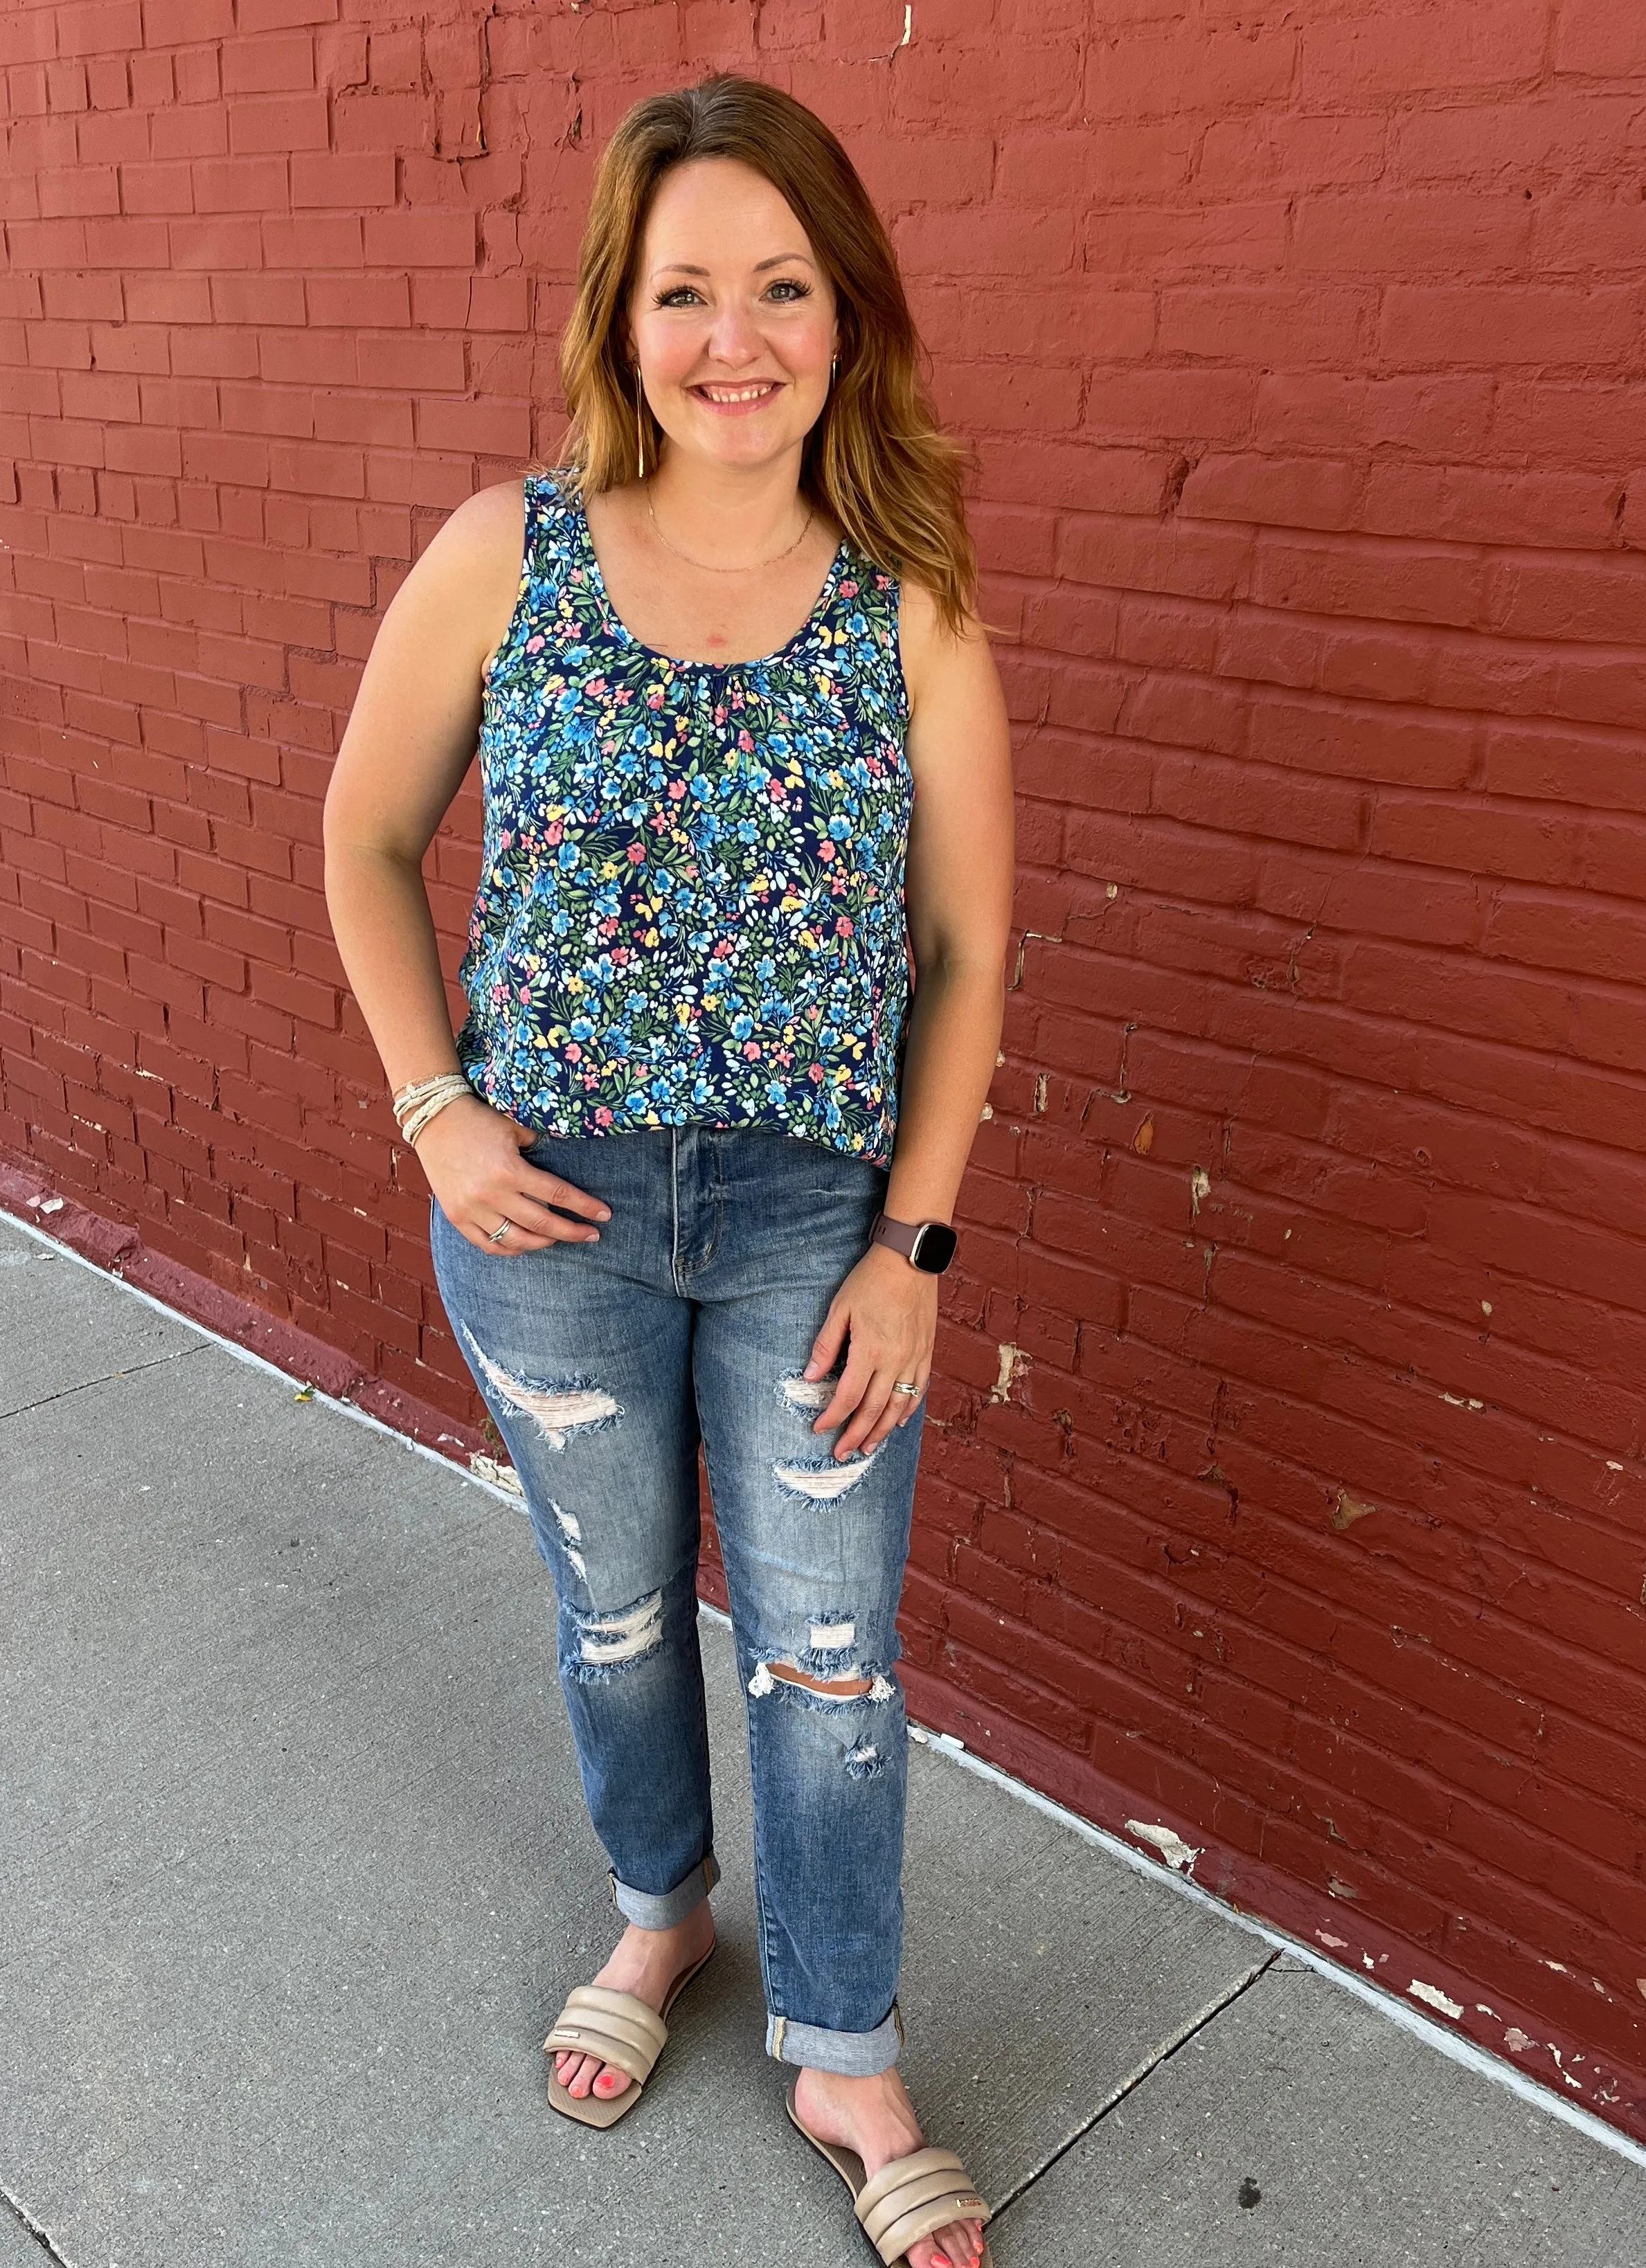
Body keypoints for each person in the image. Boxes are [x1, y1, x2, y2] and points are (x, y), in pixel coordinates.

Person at [323, 74, 1013, 2268]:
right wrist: (436, 1109)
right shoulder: (498, 552)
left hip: (817, 1210)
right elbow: (357, 842)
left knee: (829, 1646)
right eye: (687, 286)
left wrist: (916, 1241)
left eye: (784, 285)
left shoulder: (908, 595)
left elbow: (972, 946)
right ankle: (658, 1917)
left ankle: (844, 2035)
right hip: (556, 1212)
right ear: (622, 315)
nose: (738, 335)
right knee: (615, 1608)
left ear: (848, 314)